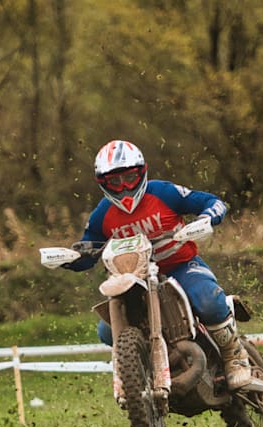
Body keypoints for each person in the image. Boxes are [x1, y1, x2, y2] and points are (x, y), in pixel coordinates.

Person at [63, 139, 252, 390]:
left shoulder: (163, 193)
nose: (125, 188)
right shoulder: (102, 214)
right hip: (135, 280)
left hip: (181, 266)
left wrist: (207, 218)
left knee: (206, 299)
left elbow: (214, 202)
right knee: (107, 331)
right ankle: (143, 374)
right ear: (103, 183)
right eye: (115, 182)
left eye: (130, 177)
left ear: (141, 172)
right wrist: (70, 258)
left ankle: (234, 355)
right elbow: (89, 250)